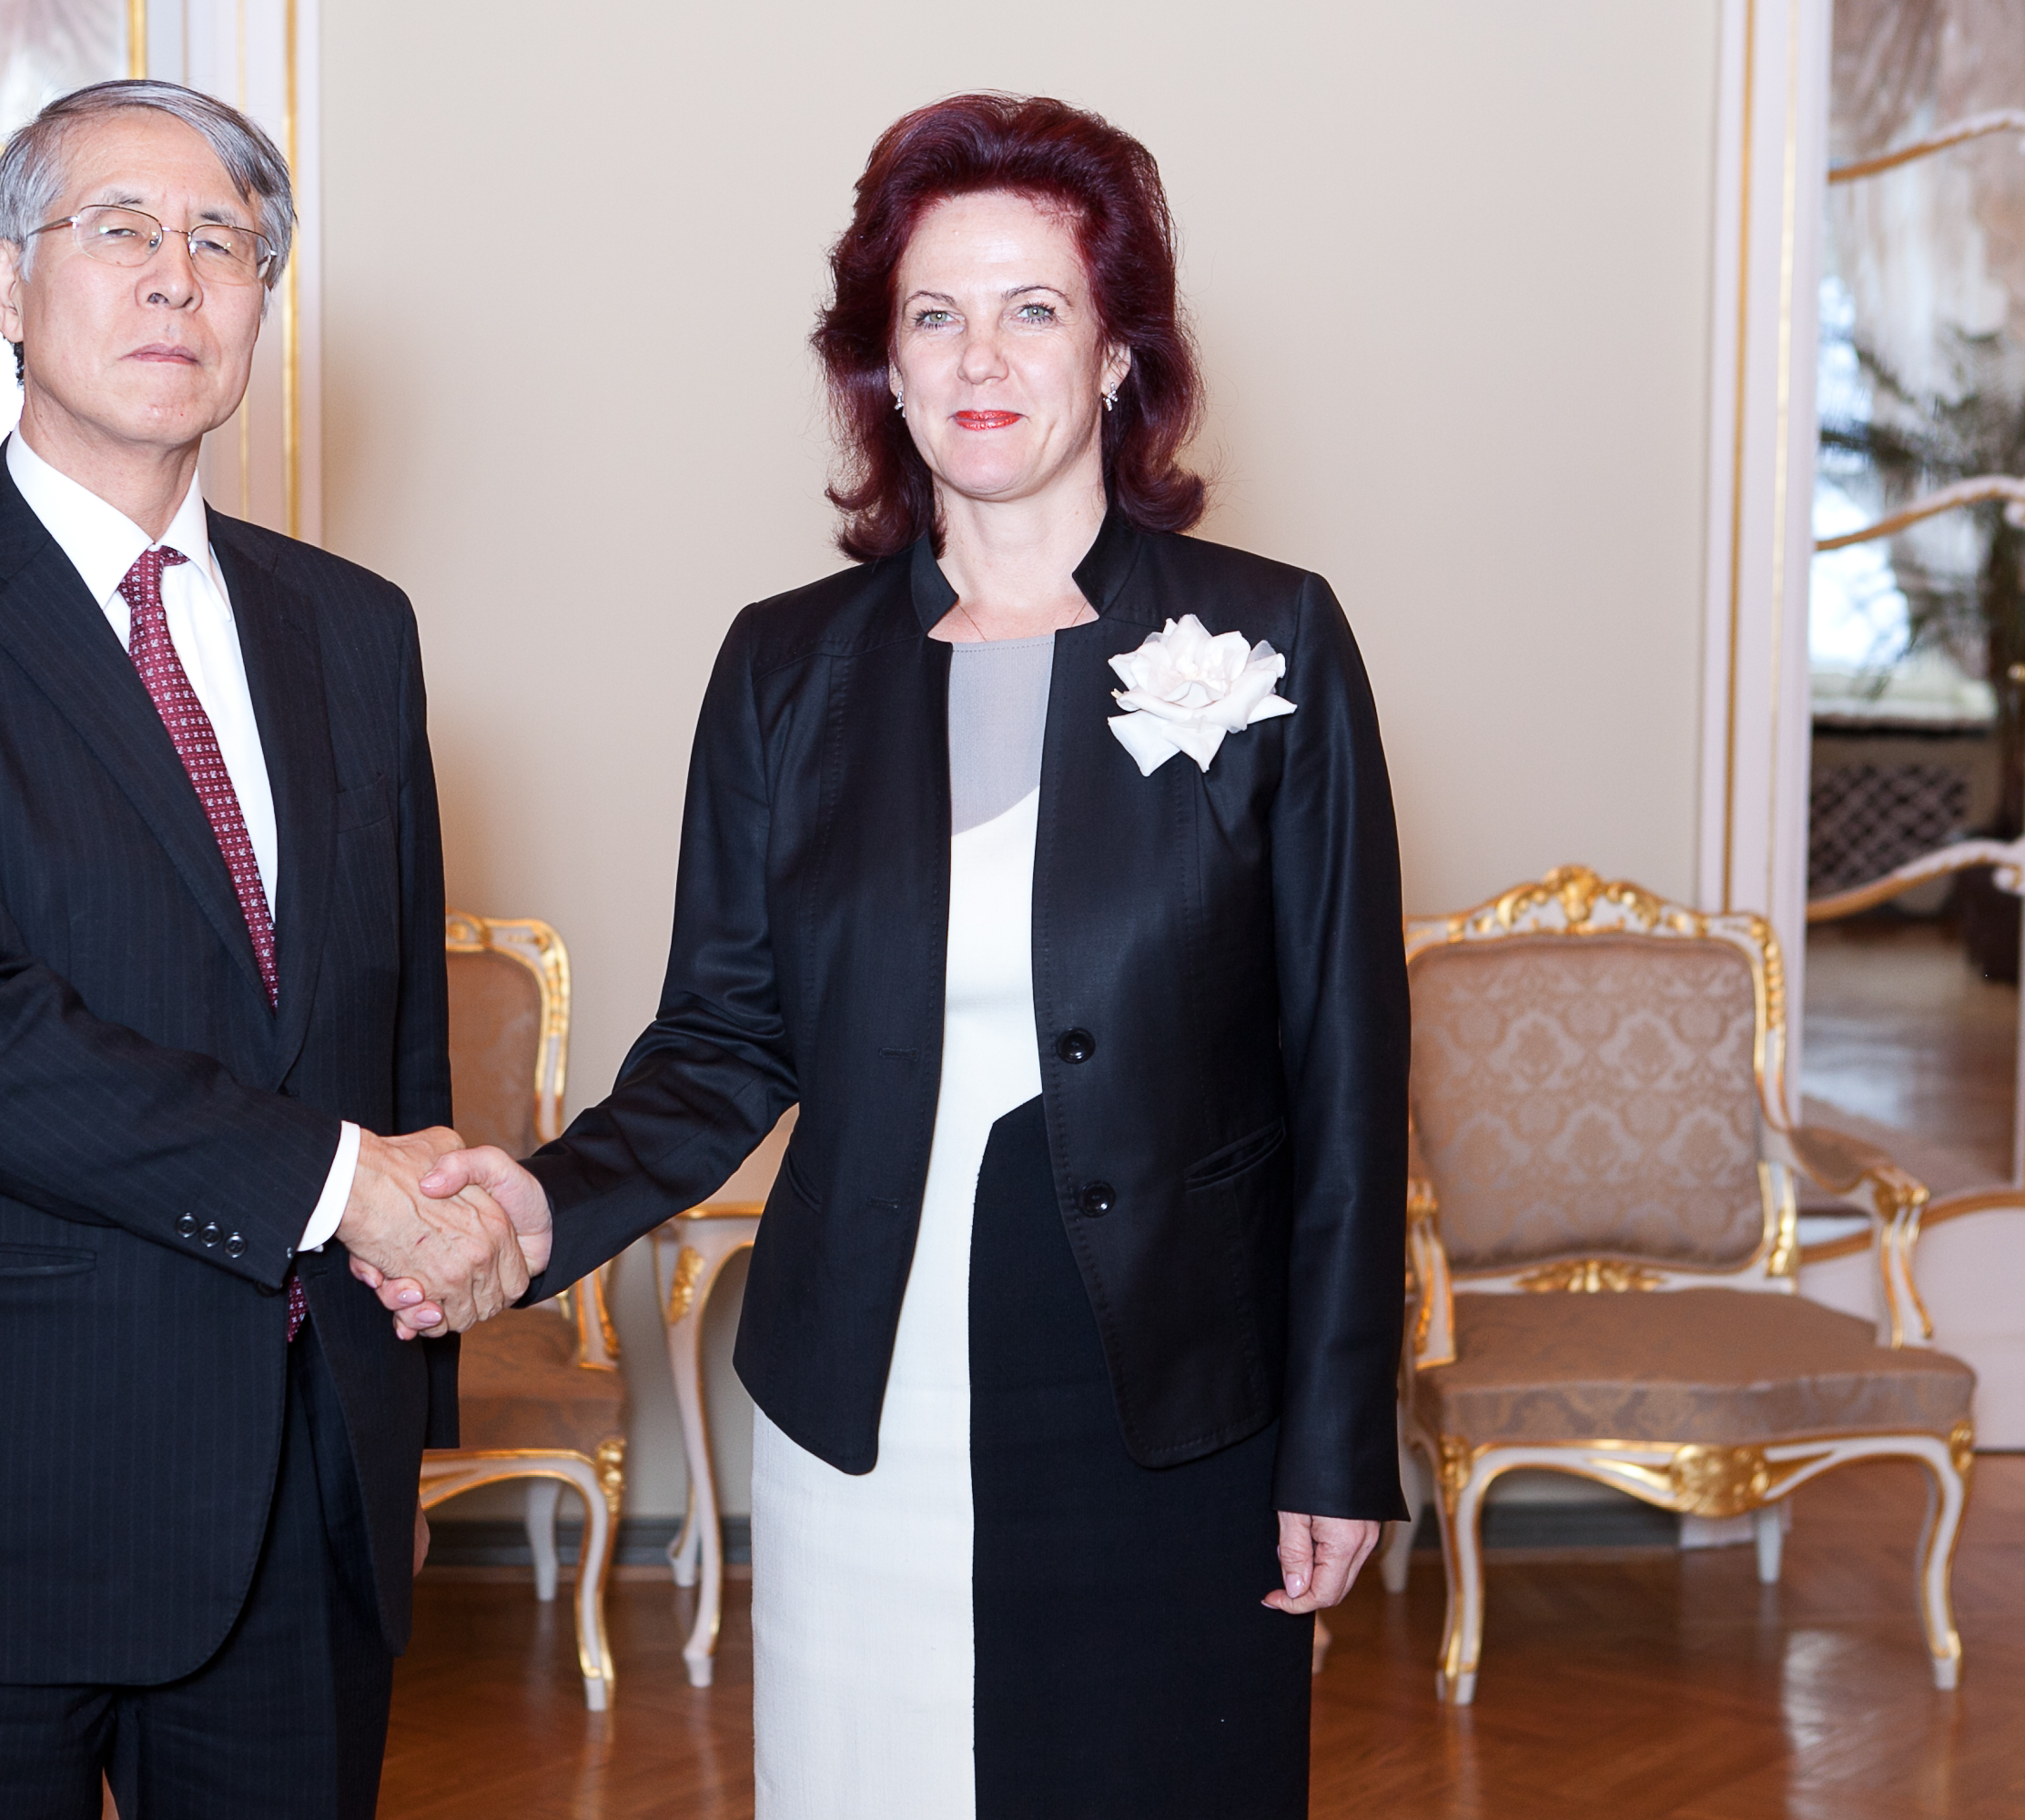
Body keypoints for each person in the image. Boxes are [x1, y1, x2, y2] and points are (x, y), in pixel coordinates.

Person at [395, 93, 1409, 1815]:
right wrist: (538, 1208)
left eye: (1034, 308)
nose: (980, 356)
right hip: (860, 1382)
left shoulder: (1273, 637)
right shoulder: (784, 666)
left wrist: (1335, 1438)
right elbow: (725, 1037)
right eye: (934, 314)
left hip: (1175, 1399)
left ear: (1117, 355)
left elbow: (1347, 1080)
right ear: (885, 363)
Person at [0, 80, 539, 1818]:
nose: (178, 276)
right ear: (9, 286)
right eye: (122, 231)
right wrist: (348, 1185)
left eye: (222, 243)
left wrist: (407, 1369)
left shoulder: (354, 629)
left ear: (256, 309)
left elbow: (386, 1042)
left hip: (298, 1497)